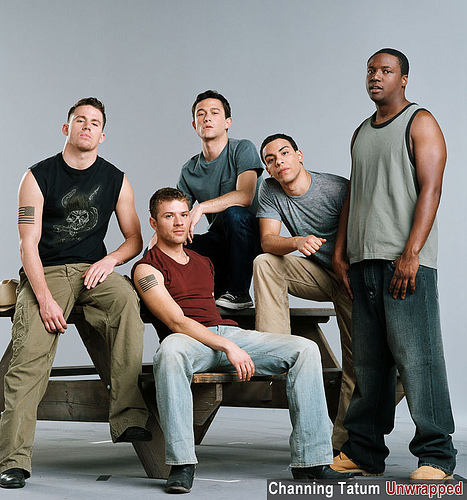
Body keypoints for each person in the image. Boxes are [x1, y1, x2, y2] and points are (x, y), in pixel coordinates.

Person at [132, 187, 354, 494]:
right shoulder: (146, 268)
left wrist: (228, 340)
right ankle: (182, 463)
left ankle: (311, 461)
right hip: (187, 342)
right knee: (168, 352)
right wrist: (227, 346)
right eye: (169, 216)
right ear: (154, 223)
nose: (179, 222)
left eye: (183, 214)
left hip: (226, 333)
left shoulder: (203, 262)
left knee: (305, 349)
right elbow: (176, 321)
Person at [0, 98, 150, 490]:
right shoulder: (37, 176)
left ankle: (128, 417)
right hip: (46, 271)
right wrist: (44, 297)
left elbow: (134, 239)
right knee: (28, 358)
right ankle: (14, 461)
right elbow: (27, 244)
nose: (87, 126)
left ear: (103, 134)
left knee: (127, 303)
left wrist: (110, 261)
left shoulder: (116, 179)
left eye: (94, 122)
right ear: (66, 129)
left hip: (93, 271)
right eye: (79, 120)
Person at [331, 49, 457, 480]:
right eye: (371, 70)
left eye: (386, 71)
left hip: (405, 263)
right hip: (363, 261)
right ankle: (363, 452)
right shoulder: (361, 132)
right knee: (369, 366)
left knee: (419, 361)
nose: (376, 76)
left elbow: (431, 188)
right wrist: (340, 251)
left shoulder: (420, 122)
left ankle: (437, 456)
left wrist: (412, 253)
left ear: (404, 79)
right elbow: (355, 193)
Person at [253, 133, 354, 452]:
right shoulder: (269, 189)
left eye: (284, 153)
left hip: (351, 278)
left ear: (300, 155)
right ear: (268, 169)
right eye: (270, 159)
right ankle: (274, 351)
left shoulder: (336, 188)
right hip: (319, 275)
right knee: (265, 262)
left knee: (356, 363)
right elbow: (268, 241)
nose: (279, 161)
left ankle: (341, 444)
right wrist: (297, 241)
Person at [174, 90, 263, 309]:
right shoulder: (189, 169)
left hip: (252, 237)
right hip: (219, 241)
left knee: (234, 213)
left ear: (227, 122)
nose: (207, 118)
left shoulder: (242, 148)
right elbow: (176, 214)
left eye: (214, 113)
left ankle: (240, 293)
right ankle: (151, 294)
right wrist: (155, 245)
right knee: (172, 243)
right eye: (201, 114)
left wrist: (201, 208)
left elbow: (245, 196)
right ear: (194, 125)